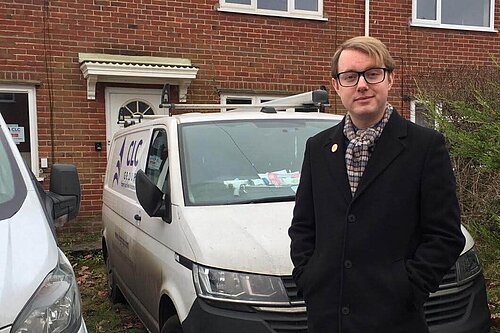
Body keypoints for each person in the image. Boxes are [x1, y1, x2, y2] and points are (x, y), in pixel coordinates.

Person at [288, 36, 465, 333]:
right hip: (328, 319)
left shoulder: (424, 147)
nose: (361, 85)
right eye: (349, 76)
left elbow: (445, 235)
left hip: (395, 320)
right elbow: (304, 225)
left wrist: (409, 287)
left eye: (372, 73)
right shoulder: (318, 147)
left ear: (390, 79)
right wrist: (309, 277)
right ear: (336, 86)